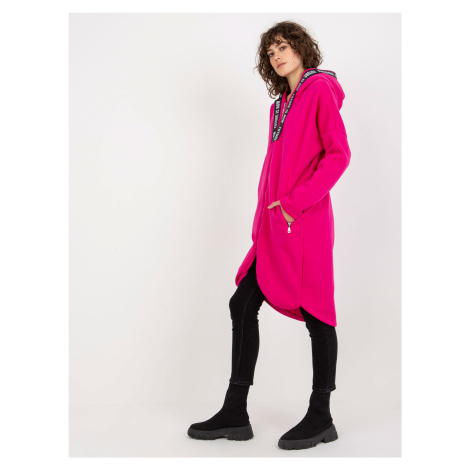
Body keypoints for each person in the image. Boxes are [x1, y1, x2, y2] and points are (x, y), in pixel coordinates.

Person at [188, 21, 351, 451]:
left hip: (305, 223)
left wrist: (295, 203)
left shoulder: (319, 90)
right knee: (242, 303)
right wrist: (267, 218)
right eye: (270, 51)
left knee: (317, 313)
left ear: (300, 48)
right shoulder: (279, 104)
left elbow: (338, 155)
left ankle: (321, 416)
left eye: (283, 46)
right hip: (275, 227)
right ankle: (235, 411)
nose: (276, 55)